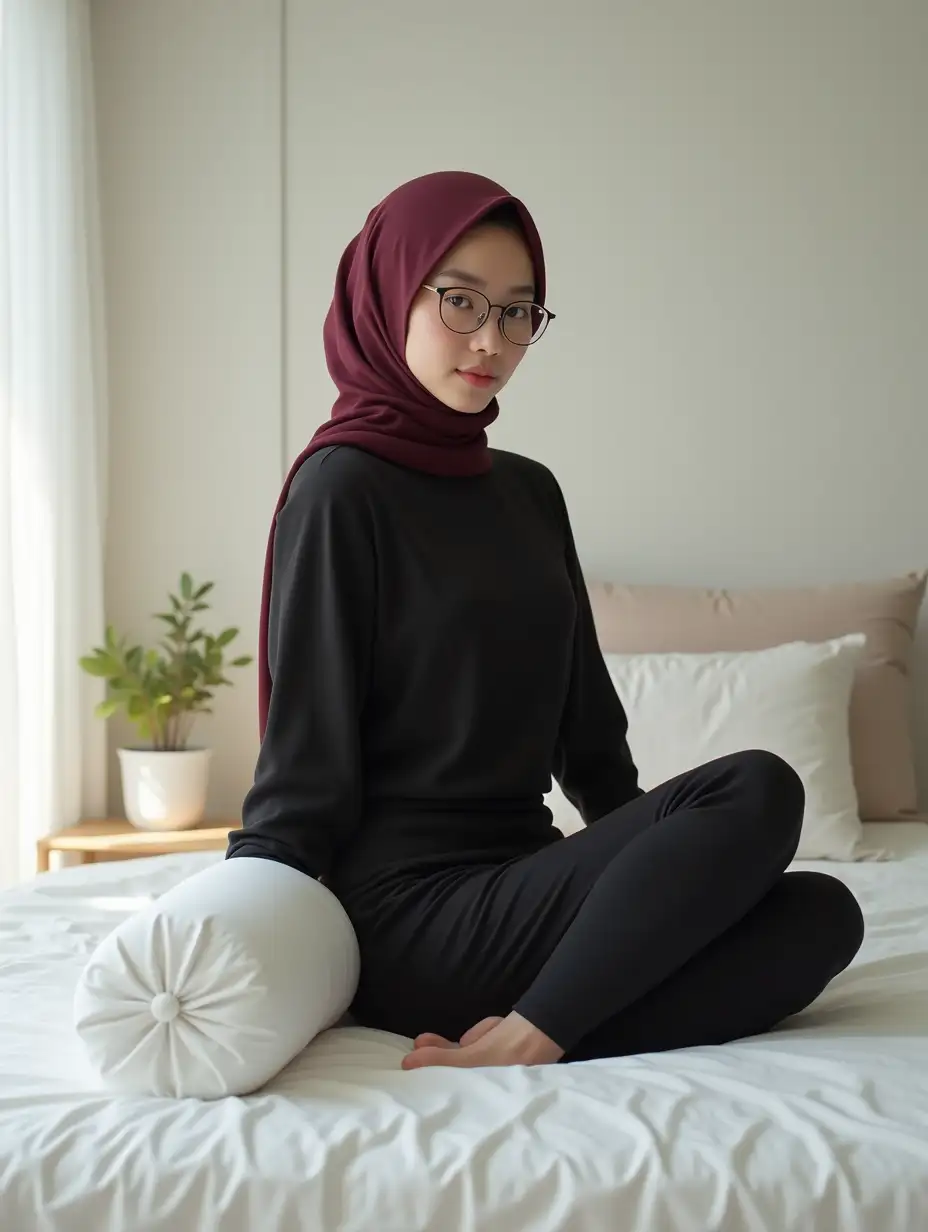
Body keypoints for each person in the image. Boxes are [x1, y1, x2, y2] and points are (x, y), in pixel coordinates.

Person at [226, 170, 865, 1070]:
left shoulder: (529, 492)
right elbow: (304, 758)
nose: (492, 339)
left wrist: (673, 868)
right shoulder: (341, 490)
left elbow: (592, 741)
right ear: (387, 293)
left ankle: (556, 1020)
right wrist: (249, 913)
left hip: (528, 883)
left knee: (822, 916)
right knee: (758, 785)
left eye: (520, 311)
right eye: (460, 302)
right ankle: (533, 1035)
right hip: (413, 916)